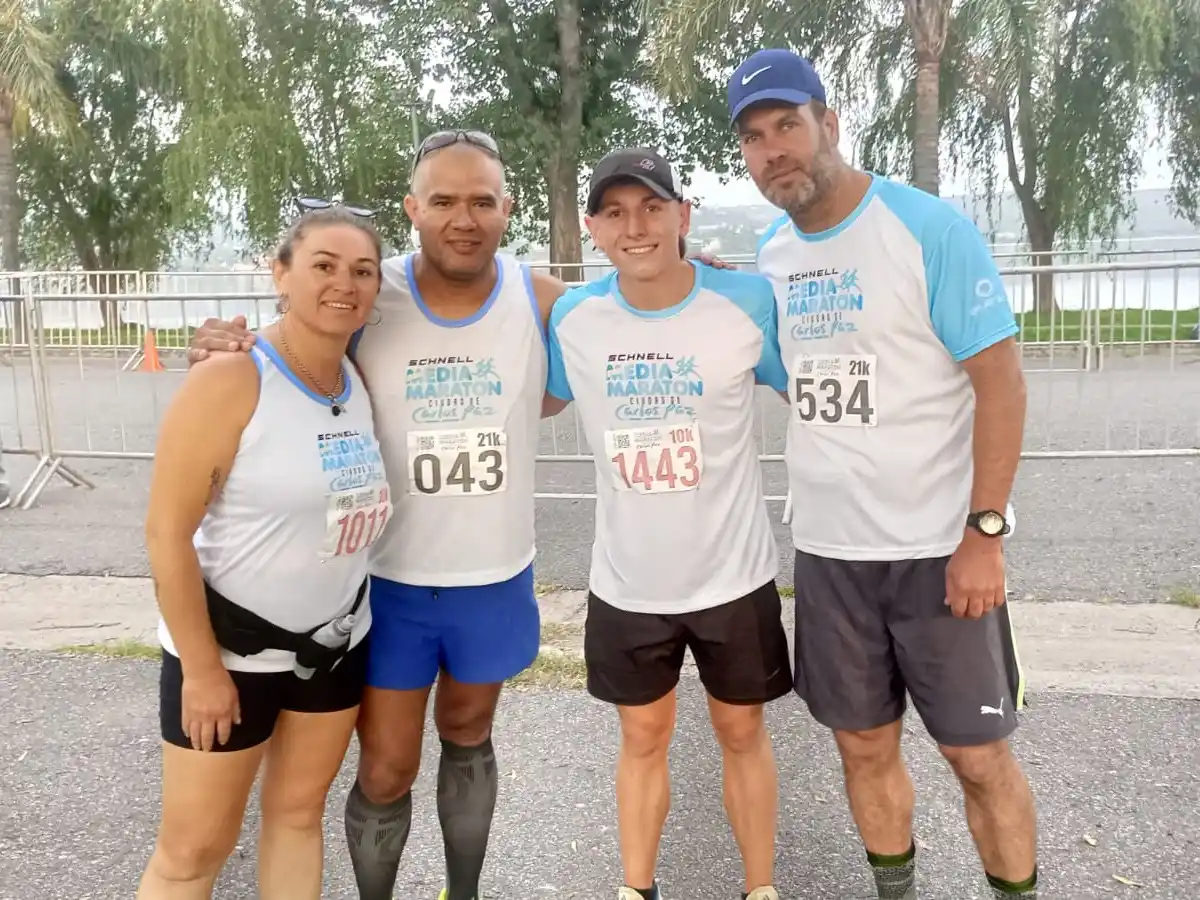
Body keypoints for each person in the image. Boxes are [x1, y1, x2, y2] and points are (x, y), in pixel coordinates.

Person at [186, 131, 567, 900]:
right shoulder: (371, 290)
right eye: (445, 200)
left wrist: (711, 276)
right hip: (385, 582)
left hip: (492, 575)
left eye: (483, 201)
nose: (465, 218)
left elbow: (644, 308)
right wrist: (224, 348)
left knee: (468, 735)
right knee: (388, 765)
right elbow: (289, 353)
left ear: (508, 208)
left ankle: (464, 892)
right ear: (413, 208)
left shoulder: (543, 297)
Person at [724, 48, 1038, 900]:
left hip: (940, 552)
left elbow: (1001, 382)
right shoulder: (773, 254)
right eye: (753, 138)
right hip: (830, 556)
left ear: (829, 122)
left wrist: (986, 532)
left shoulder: (927, 227)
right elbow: (794, 372)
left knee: (977, 758)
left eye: (787, 125)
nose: (773, 150)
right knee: (862, 747)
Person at [543, 147, 792, 900]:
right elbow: (519, 380)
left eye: (653, 207)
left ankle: (759, 888)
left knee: (742, 733)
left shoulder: (747, 302)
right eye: (615, 212)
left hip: (734, 576)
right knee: (642, 737)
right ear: (592, 228)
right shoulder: (574, 319)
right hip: (628, 583)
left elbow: (820, 385)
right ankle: (635, 888)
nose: (636, 226)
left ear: (683, 216)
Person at [139, 205, 389, 900]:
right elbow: (165, 533)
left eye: (363, 271)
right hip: (228, 659)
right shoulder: (230, 379)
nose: (345, 283)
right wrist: (200, 671)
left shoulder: (356, 380)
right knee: (192, 851)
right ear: (280, 275)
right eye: (323, 266)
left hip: (332, 650)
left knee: (296, 818)